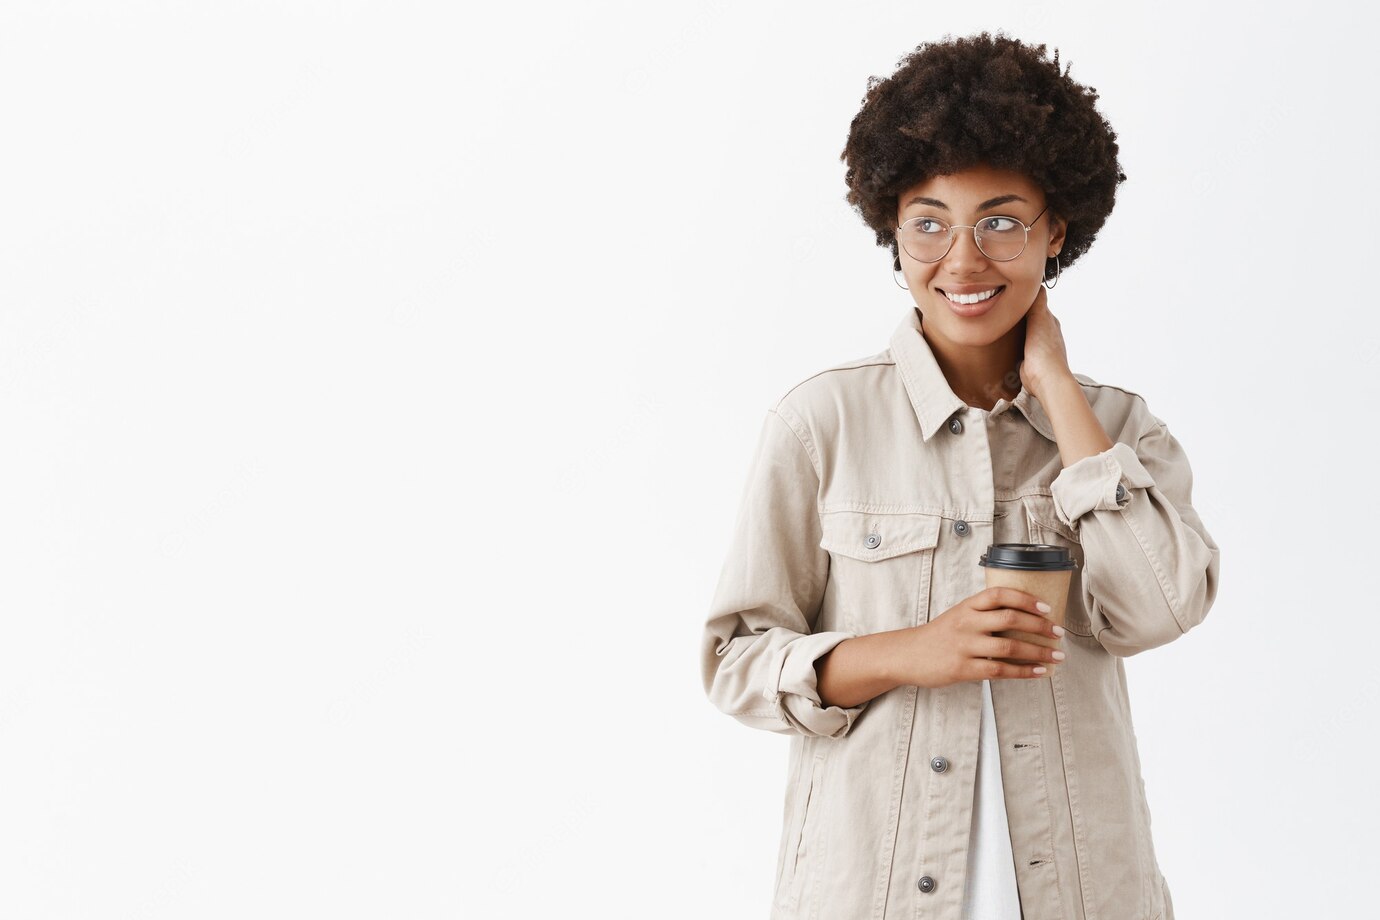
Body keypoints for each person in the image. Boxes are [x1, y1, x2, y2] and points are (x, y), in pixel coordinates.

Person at [700, 31, 1220, 920]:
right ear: (892, 233)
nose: (963, 259)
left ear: (1056, 230)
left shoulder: (1120, 429)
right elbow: (735, 662)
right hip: (867, 892)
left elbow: (1162, 609)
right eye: (929, 222)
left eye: (1001, 221)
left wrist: (1056, 391)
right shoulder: (821, 423)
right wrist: (911, 652)